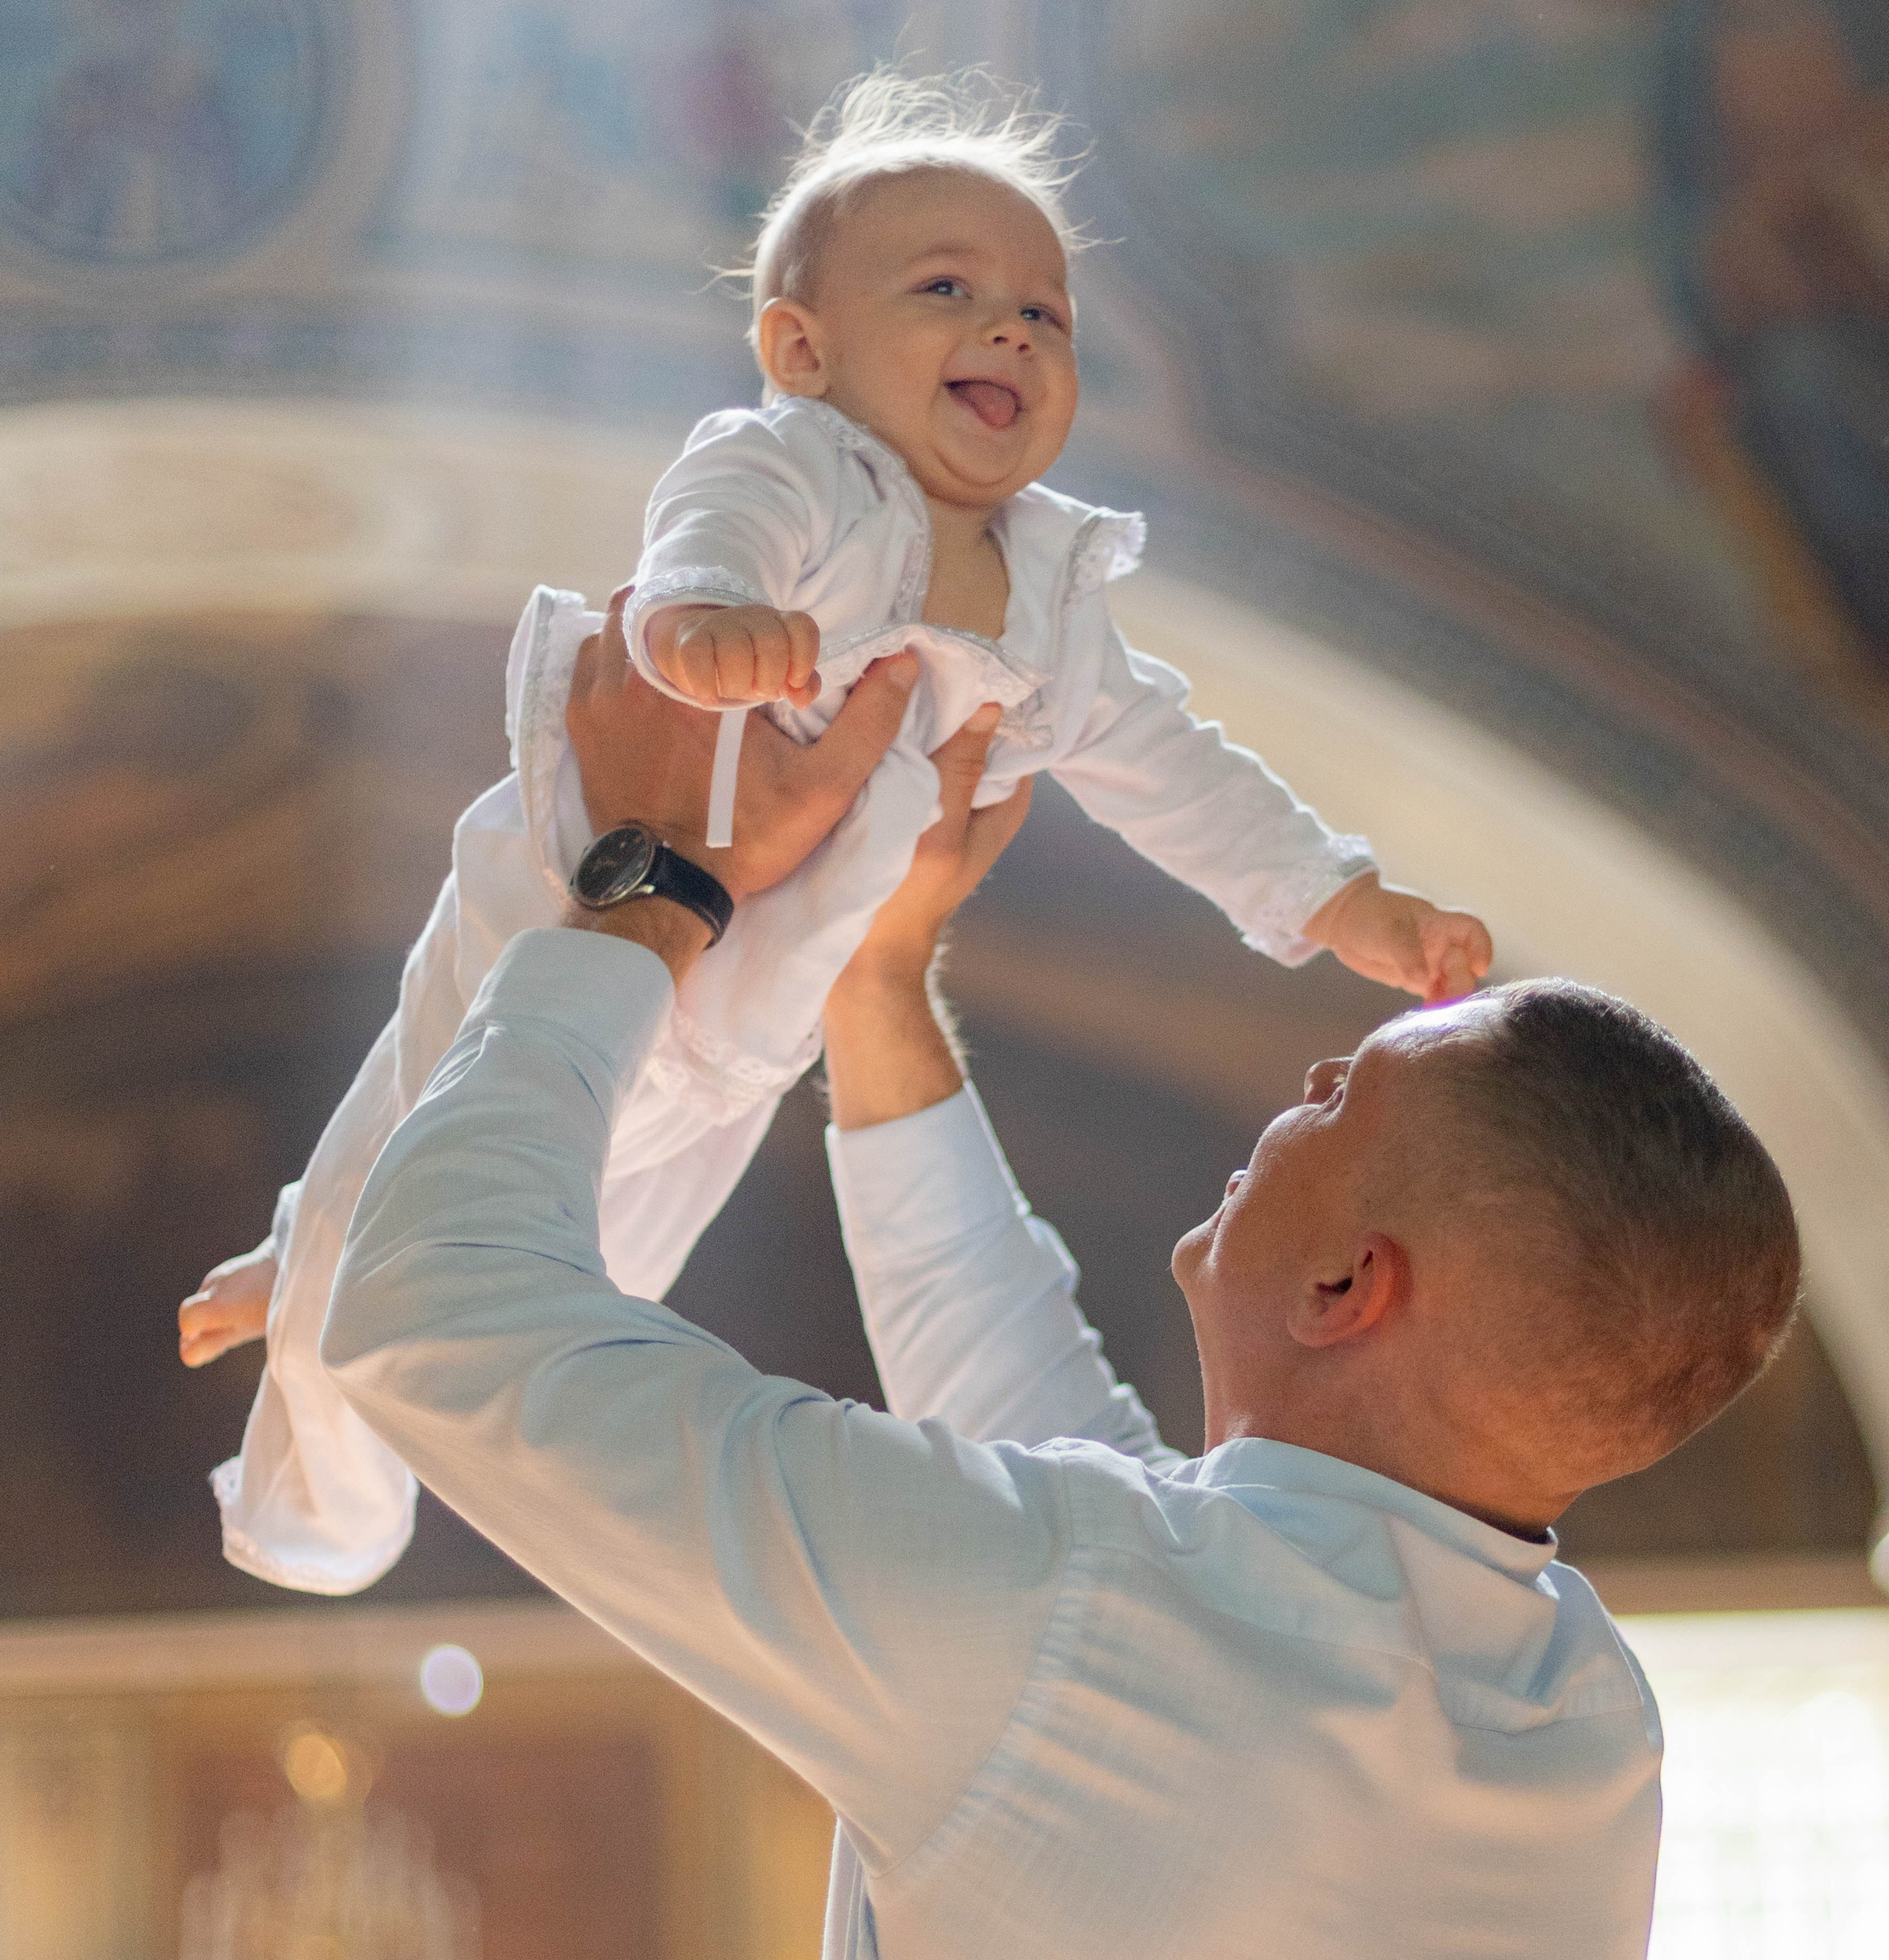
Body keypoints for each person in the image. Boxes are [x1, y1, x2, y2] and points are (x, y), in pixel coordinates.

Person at [317, 604, 1800, 1960]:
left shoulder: (1097, 1617)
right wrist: (877, 983)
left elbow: (435, 1303)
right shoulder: (1577, 1712)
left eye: (1337, 1093)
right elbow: (1096, 1554)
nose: (1294, 1086)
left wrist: (655, 873)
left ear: (1349, 1280)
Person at [182, 66, 1491, 1595]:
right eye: (946, 288)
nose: (1008, 326)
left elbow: (1173, 767)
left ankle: (327, 1269)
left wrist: (1339, 900)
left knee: (571, 1267)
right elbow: (701, 545)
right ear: (801, 350)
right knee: (425, 1134)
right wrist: (705, 624)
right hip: (574, 900)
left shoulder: (1055, 593)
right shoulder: (798, 468)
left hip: (749, 1019)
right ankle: (309, 1511)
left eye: (1044, 312)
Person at [1644, 0, 1889, 656]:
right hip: (1811, 291)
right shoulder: (1686, 40)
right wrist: (1726, 278)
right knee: (1805, 391)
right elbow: (1683, 213)